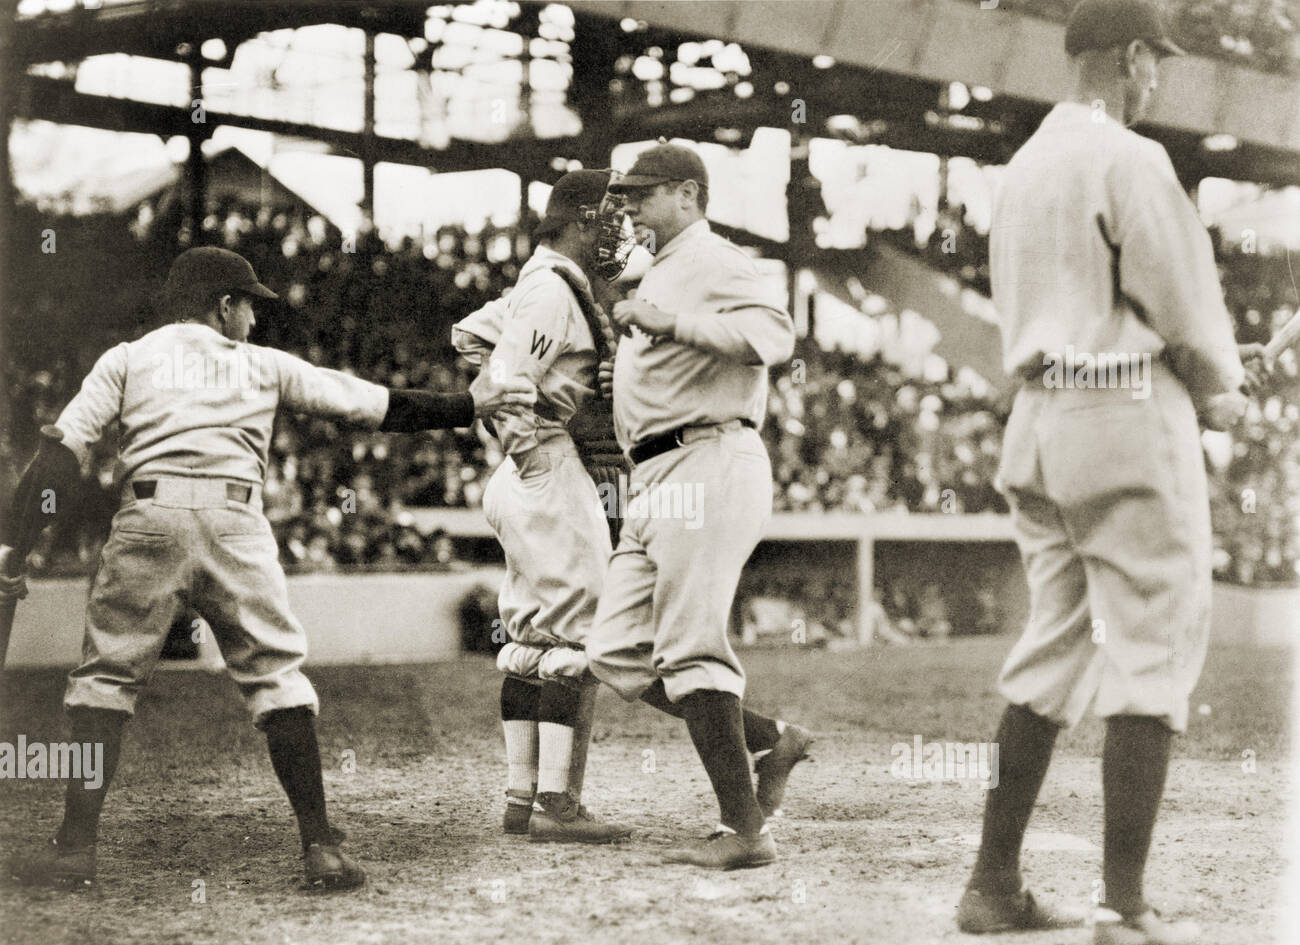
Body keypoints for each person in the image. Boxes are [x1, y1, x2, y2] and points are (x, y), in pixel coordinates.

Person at [0, 246, 534, 891]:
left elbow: (59, 458)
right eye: (249, 305)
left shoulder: (126, 357)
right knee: (277, 677)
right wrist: (466, 405)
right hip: (234, 520)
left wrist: (14, 543)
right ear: (224, 305)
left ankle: (74, 849)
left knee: (104, 682)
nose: (254, 319)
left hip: (149, 515)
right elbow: (375, 406)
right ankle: (320, 848)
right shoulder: (261, 365)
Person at [956, 0, 1268, 945]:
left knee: (1053, 645)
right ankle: (1124, 909)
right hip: (1128, 411)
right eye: (1155, 62)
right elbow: (1185, 314)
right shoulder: (1132, 159)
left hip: (1043, 415)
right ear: (1131, 56)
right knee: (1154, 644)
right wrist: (1225, 391)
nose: (1157, 78)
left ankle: (993, 883)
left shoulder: (1025, 167)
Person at [585, 142, 812, 869]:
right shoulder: (659, 270)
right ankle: (770, 736)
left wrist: (671, 324)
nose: (629, 209)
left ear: (688, 194)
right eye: (624, 198)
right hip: (655, 472)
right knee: (616, 653)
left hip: (707, 455)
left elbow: (776, 338)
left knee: (689, 650)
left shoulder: (717, 261)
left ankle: (743, 829)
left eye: (642, 196)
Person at [451, 170, 634, 843]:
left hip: (524, 474)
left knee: (529, 640)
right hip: (545, 467)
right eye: (610, 215)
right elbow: (507, 377)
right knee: (581, 634)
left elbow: (468, 336)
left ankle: (520, 796)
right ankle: (559, 803)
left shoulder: (543, 284)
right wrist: (530, 442)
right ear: (579, 220)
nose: (619, 229)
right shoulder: (555, 292)